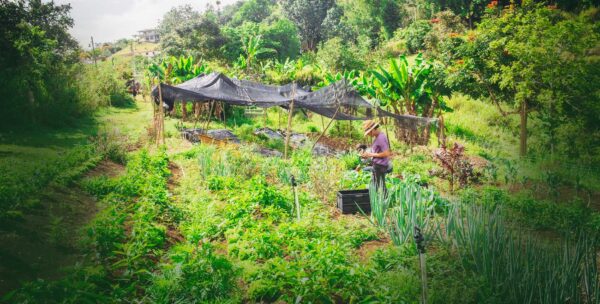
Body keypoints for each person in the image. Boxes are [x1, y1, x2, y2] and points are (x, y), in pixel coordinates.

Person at [361, 120, 391, 194]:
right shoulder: (377, 137)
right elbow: (377, 152)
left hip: (380, 166)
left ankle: (381, 201)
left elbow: (386, 153)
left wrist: (370, 155)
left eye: (369, 132)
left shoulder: (381, 138)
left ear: (374, 129)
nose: (368, 135)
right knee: (378, 185)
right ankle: (381, 201)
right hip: (378, 165)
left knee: (378, 186)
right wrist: (367, 155)